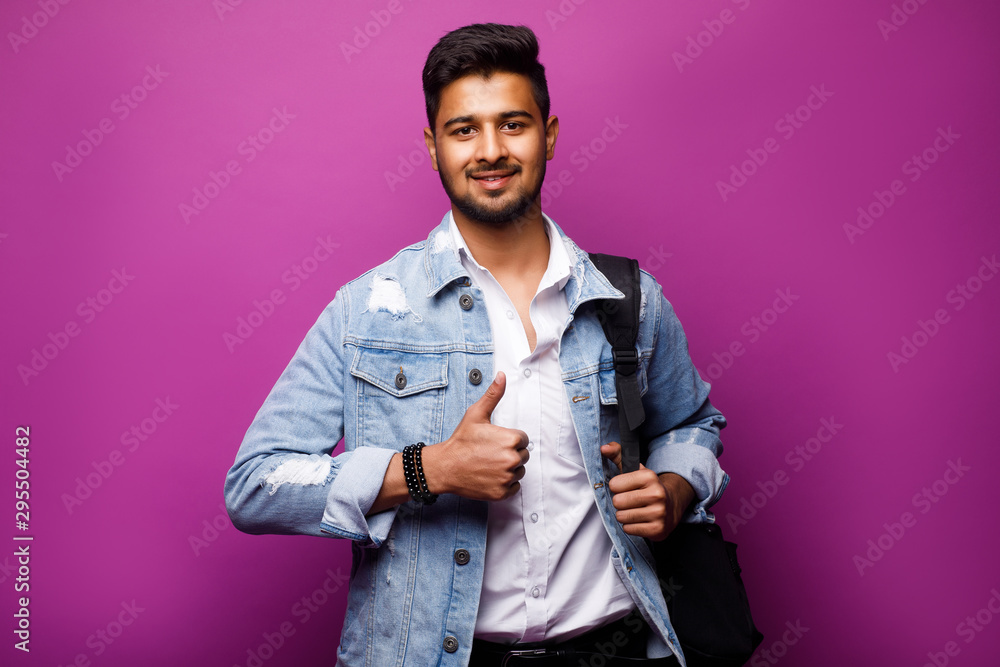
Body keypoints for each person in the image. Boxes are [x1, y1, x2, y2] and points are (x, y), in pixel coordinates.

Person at [225, 22, 728, 667]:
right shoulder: (369, 311)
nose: (490, 149)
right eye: (464, 130)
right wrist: (427, 470)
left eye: (513, 124)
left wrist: (676, 488)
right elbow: (255, 483)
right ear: (433, 147)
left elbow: (694, 425)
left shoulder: (626, 297)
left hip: (620, 647)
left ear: (548, 135)